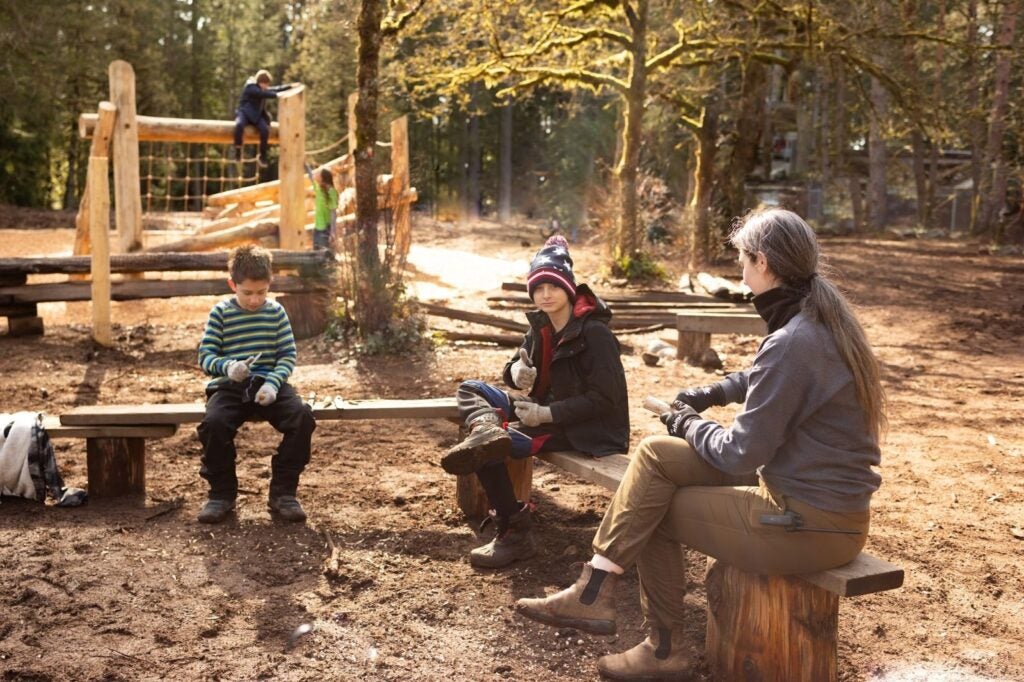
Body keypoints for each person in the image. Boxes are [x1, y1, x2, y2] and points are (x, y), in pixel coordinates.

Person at [515, 209, 887, 680]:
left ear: (763, 262)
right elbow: (763, 375)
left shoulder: (796, 339)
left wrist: (686, 421)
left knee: (652, 510)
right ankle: (594, 589)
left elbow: (740, 452)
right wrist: (711, 392)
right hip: (817, 506)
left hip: (810, 523)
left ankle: (661, 648)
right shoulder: (816, 321)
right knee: (656, 454)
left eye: (742, 261)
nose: (741, 272)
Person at [440, 235, 629, 568]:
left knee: (487, 448)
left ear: (569, 288)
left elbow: (605, 399)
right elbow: (516, 365)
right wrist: (516, 372)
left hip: (587, 429)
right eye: (538, 287)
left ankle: (514, 534)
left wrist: (546, 413)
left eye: (553, 286)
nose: (545, 294)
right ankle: (486, 428)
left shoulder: (595, 333)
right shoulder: (541, 325)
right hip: (540, 411)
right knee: (471, 389)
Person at [196, 244, 316, 524]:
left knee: (301, 417)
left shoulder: (276, 313)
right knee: (213, 424)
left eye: (261, 292)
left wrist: (273, 384)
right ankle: (221, 494)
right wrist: (228, 367)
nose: (254, 300)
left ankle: (283, 493)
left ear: (270, 284)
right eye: (247, 292)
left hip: (269, 385)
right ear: (232, 285)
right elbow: (206, 356)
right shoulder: (220, 313)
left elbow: (287, 356)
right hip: (230, 386)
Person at [233, 70, 298, 168]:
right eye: (266, 84)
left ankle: (262, 155)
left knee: (265, 130)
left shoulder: (261, 88)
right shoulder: (250, 87)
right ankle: (238, 150)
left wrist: (290, 87)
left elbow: (275, 89)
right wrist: (277, 95)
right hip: (245, 113)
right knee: (239, 125)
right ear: (261, 82)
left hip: (256, 116)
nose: (267, 86)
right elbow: (261, 94)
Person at [307, 163, 339, 250]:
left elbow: (333, 213)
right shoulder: (319, 188)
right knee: (316, 252)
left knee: (324, 254)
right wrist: (305, 164)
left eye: (318, 173)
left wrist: (333, 231)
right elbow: (310, 176)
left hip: (326, 229)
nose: (316, 174)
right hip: (317, 228)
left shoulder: (331, 192)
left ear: (322, 177)